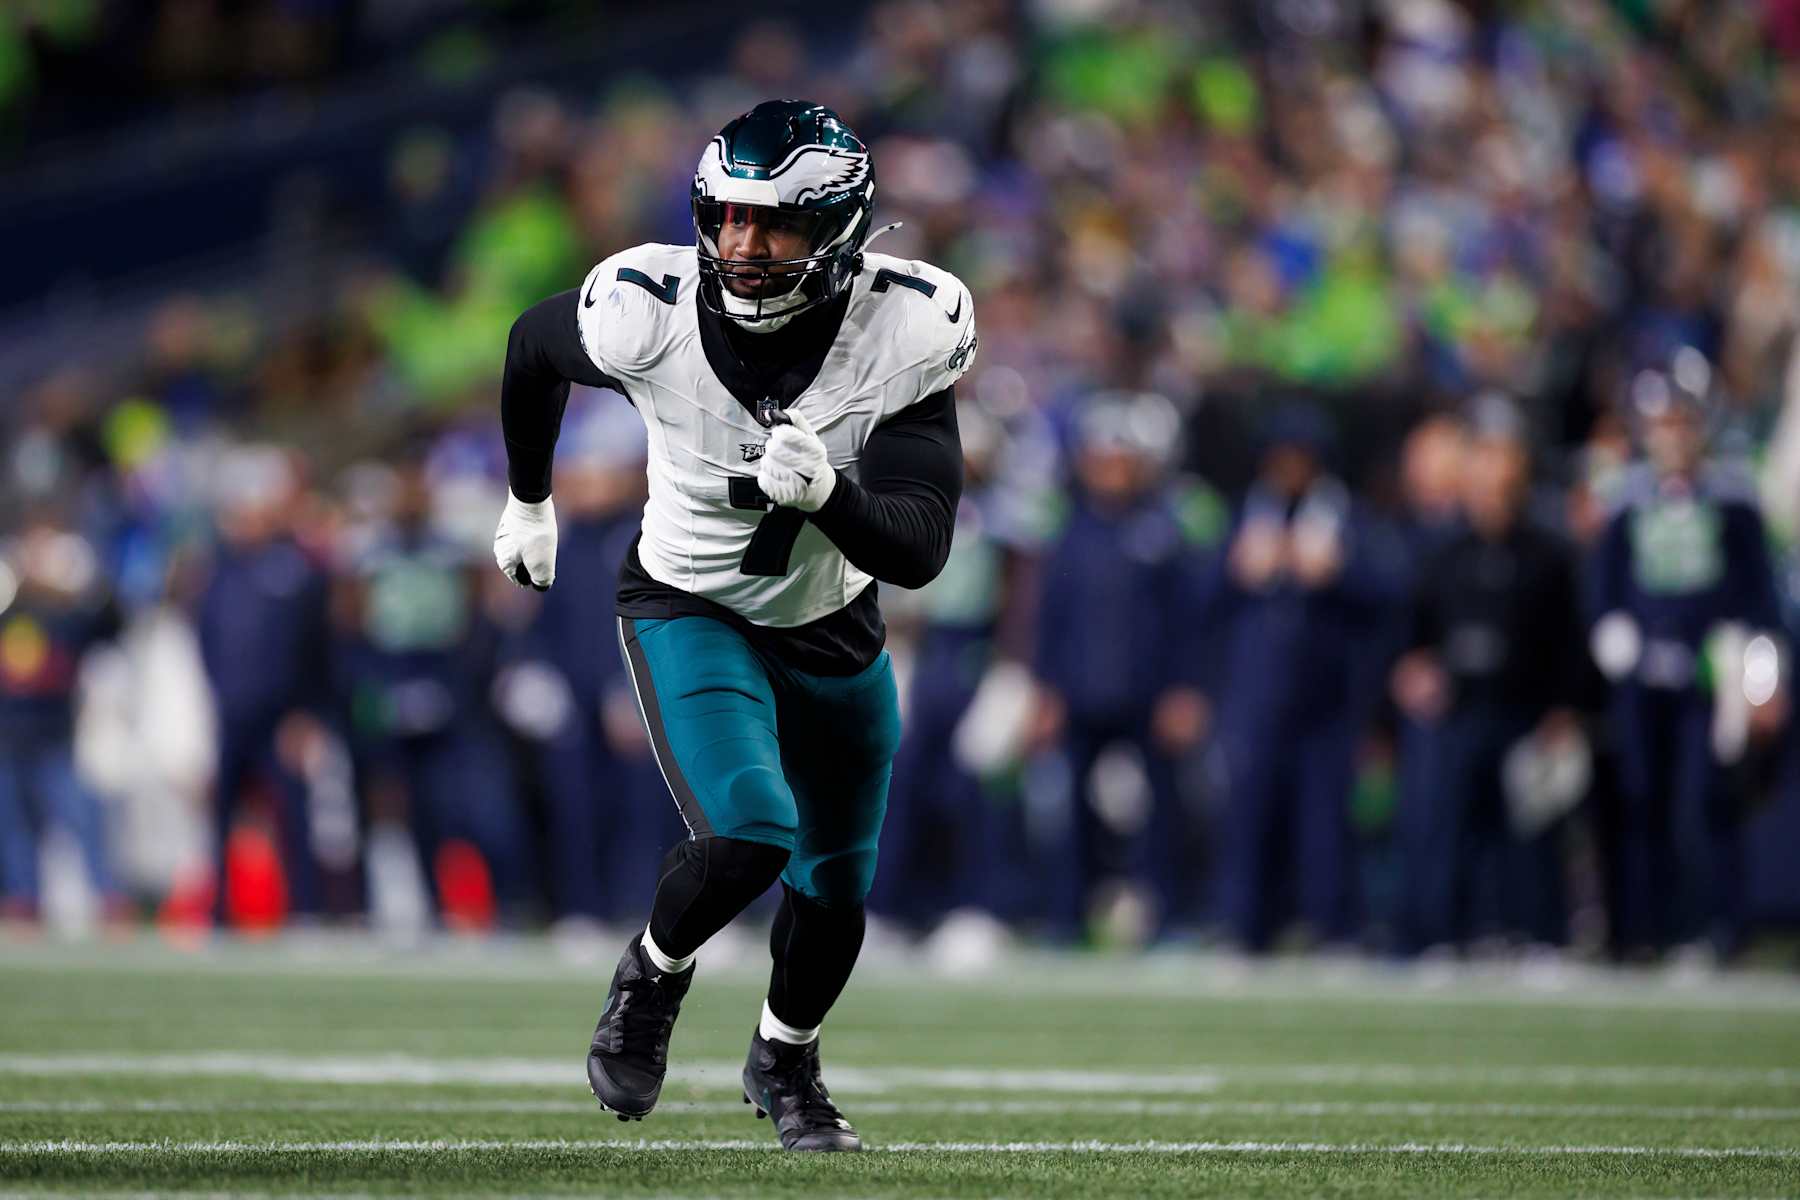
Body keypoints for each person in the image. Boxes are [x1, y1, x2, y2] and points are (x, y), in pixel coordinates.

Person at [492, 100, 973, 1151]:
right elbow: (532, 349)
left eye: (778, 225)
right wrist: (529, 498)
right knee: (754, 831)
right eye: (730, 219)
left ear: (840, 231)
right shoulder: (645, 307)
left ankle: (785, 1062)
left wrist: (833, 503)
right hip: (691, 604)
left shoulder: (906, 326)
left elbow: (922, 546)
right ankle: (650, 980)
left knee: (837, 884)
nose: (746, 247)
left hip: (833, 621)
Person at [1587, 351, 1785, 960]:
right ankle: (1646, 931)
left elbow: (1760, 600)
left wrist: (1760, 681)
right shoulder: (1626, 497)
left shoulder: (1731, 496)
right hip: (1644, 674)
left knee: (1706, 801)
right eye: (1662, 423)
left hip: (1712, 672)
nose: (1672, 435)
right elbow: (1604, 588)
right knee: (1641, 798)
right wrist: (1610, 631)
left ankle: (1718, 929)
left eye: (1681, 421)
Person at [1390, 397, 1586, 953]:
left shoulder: (1548, 552)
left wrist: (1563, 708)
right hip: (1458, 708)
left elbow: (1569, 638)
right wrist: (1411, 671)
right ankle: (1444, 936)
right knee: (1449, 827)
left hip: (1524, 709)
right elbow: (1413, 635)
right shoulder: (1441, 550)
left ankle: (1539, 935)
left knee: (1530, 832)